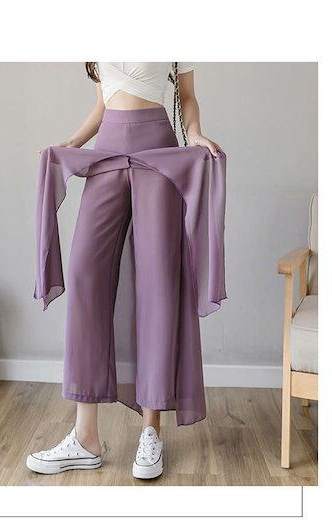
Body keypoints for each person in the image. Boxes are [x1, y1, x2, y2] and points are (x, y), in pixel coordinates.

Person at [27, 62, 224, 480]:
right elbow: (104, 104)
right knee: (84, 275)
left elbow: (187, 96)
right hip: (108, 149)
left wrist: (195, 135)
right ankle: (86, 438)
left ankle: (151, 431)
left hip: (157, 152)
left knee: (158, 284)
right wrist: (72, 142)